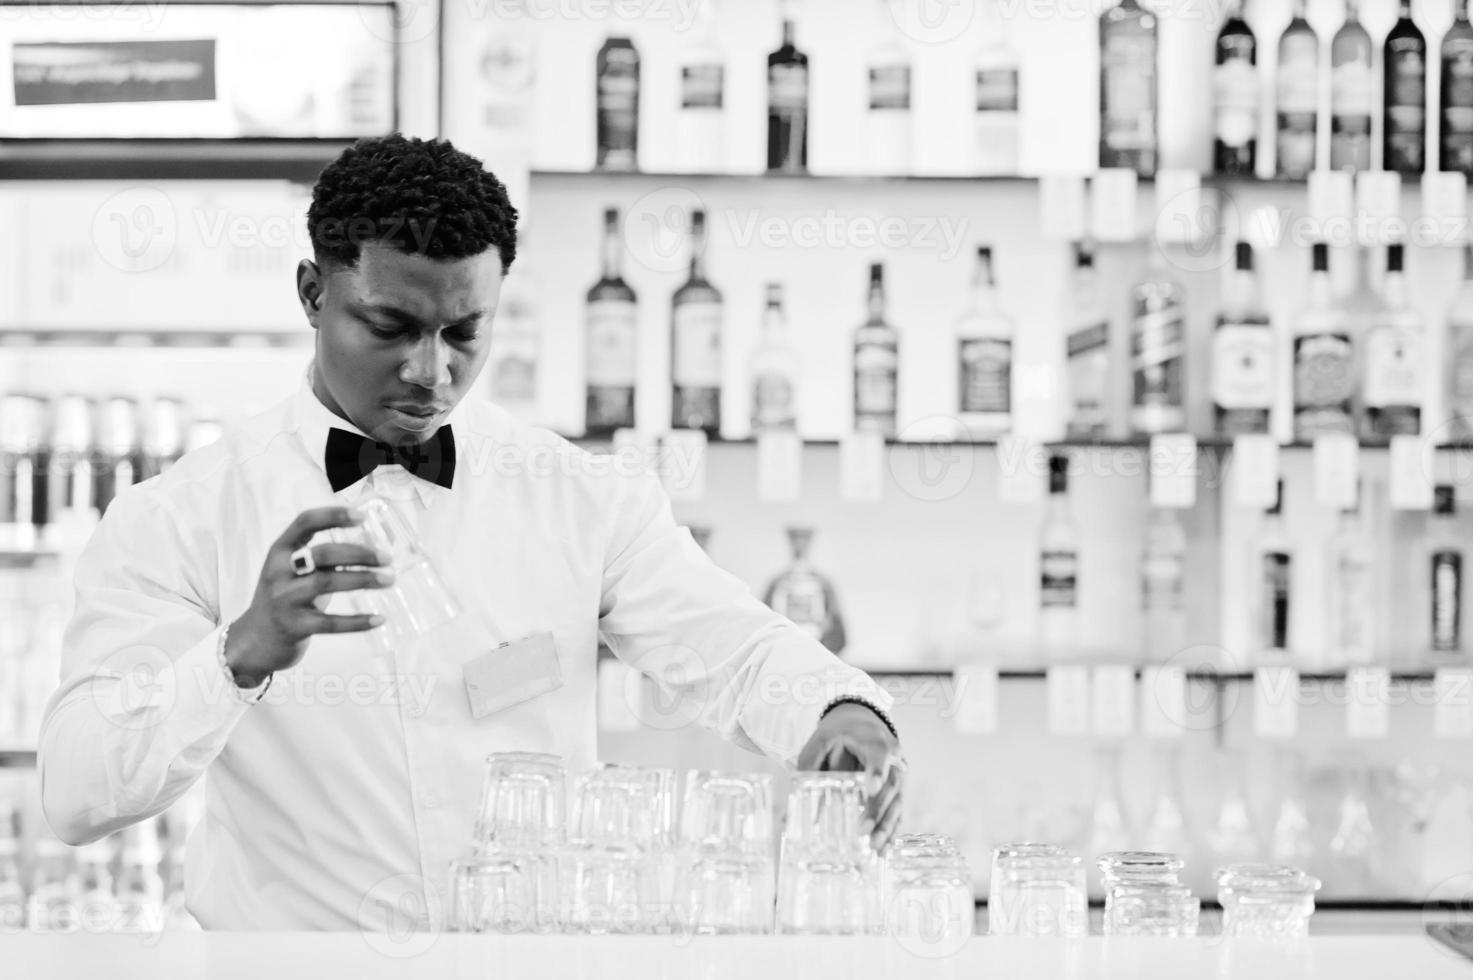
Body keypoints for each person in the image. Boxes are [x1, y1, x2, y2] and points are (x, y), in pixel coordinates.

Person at [37, 134, 904, 931]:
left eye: (463, 333)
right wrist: (240, 655)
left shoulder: (579, 497)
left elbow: (736, 650)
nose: (430, 372)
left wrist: (845, 713)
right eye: (390, 328)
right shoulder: (180, 517)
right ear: (312, 293)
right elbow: (76, 792)